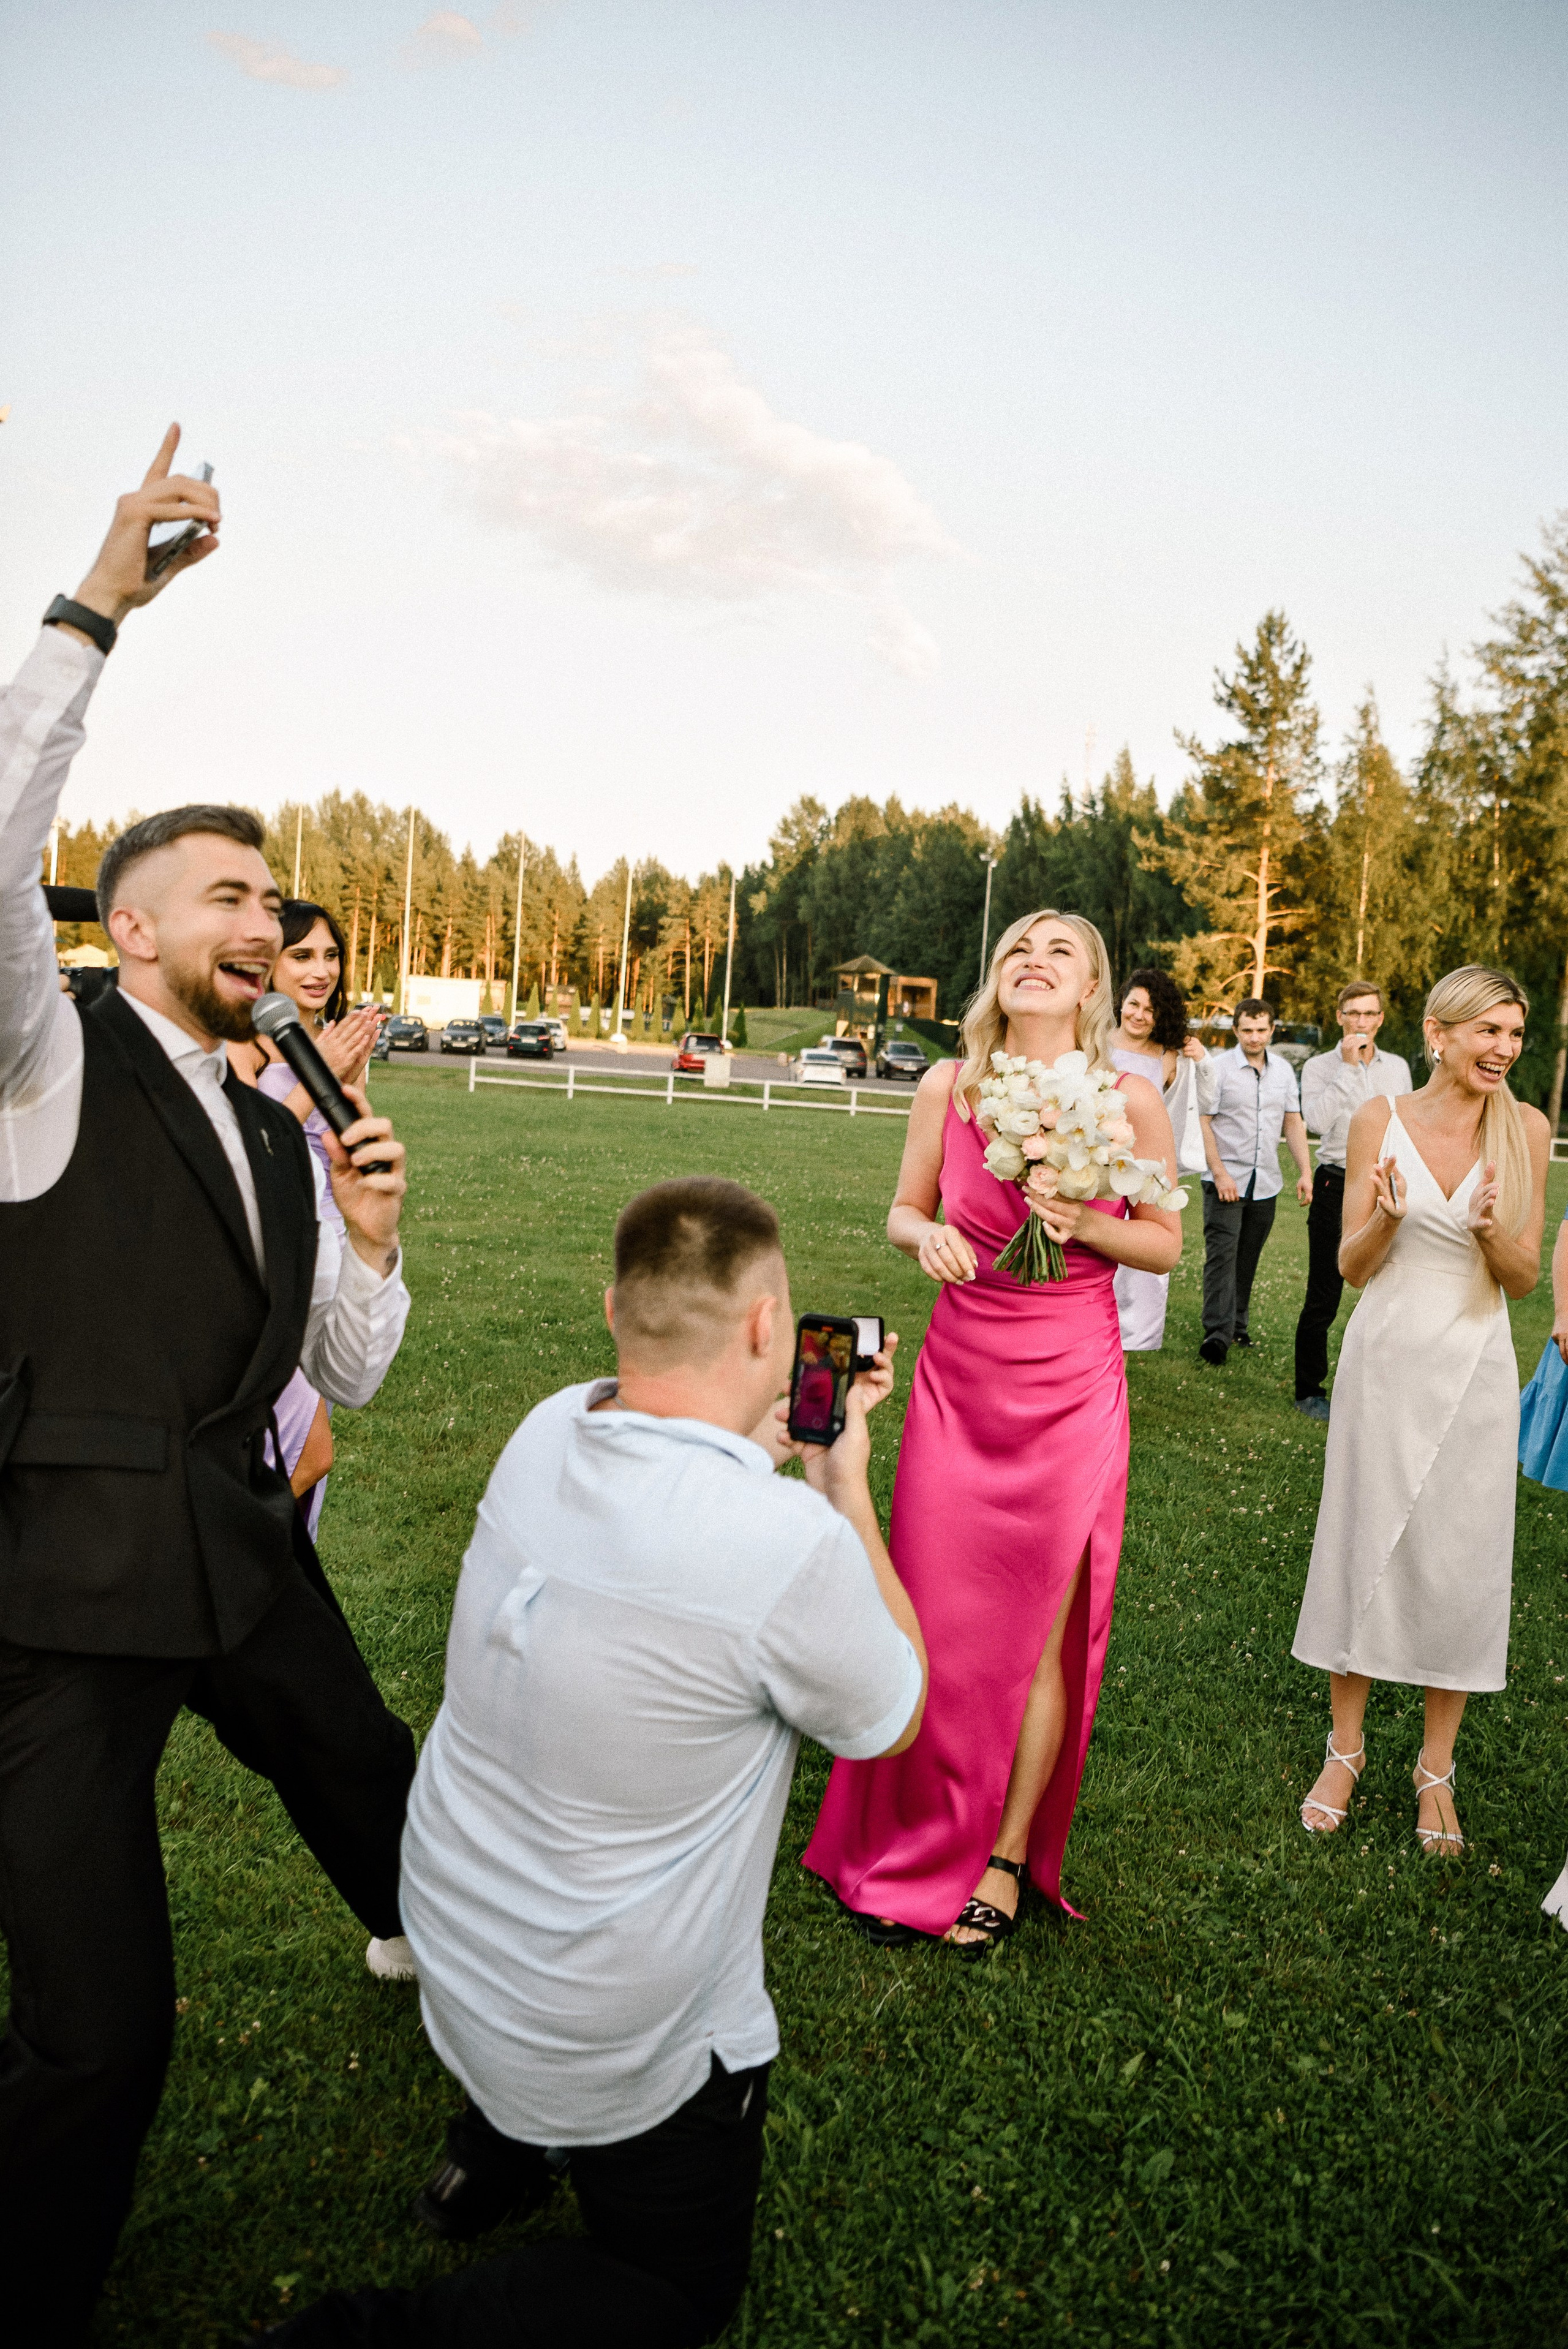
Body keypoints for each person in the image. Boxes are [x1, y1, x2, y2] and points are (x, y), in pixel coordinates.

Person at [0, 429, 417, 2347]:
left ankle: (520, 2066)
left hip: (244, 1554)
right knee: (103, 2033)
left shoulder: (278, 1120)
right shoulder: (44, 1068)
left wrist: (375, 1241)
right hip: (63, 1595)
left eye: (278, 902)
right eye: (229, 896)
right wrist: (99, 601)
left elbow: (338, 1370)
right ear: (131, 926)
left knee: (395, 1813)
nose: (269, 923)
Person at [263, 1178, 926, 2347]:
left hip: (454, 1940)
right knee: (673, 2293)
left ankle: (493, 2154)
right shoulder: (788, 1549)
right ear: (770, 1329)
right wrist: (839, 1484)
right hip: (605, 2027)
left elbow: (673, 1499)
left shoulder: (549, 1425)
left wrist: (760, 1453)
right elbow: (894, 1714)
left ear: (616, 1308)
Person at [801, 910, 1181, 1955]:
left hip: (1068, 1383)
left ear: (1093, 987)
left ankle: (1006, 1856)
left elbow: (1164, 1245)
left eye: (1061, 952)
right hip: (960, 1375)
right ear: (997, 976)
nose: (1035, 961)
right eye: (1020, 947)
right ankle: (909, 1839)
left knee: (1038, 1627)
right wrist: (925, 1236)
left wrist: (1083, 1223)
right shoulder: (949, 1088)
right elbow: (902, 1210)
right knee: (932, 1610)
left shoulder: (1129, 1098)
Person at [1292, 966, 1548, 1853]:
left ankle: (1435, 1767)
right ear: (1439, 1032)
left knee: (1461, 1555)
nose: (1504, 1049)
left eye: (1515, 1034)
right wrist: (1390, 1220)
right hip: (1387, 1356)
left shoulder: (1527, 1129)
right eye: (1490, 1031)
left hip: (1477, 1360)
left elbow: (1523, 1280)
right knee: (1364, 1536)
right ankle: (1346, 1748)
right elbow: (1351, 1268)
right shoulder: (1378, 1120)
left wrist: (1486, 1231)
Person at [228, 901, 382, 1536]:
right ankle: (230, 1541)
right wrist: (319, 1074)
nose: (320, 971)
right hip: (266, 1256)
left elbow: (354, 1142)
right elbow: (244, 1148)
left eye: (330, 955)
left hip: (331, 1249)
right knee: (307, 1448)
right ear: (270, 963)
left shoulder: (338, 1039)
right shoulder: (242, 1041)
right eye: (302, 955)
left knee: (301, 1445)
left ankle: (285, 1571)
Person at [1292, 982, 1412, 1420]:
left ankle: (1378, 1385)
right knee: (1324, 1290)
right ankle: (1309, 1389)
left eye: (1369, 1014)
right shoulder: (1320, 1067)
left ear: (1380, 1019)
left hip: (1384, 1184)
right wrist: (1347, 1068)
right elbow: (1319, 1123)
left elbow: (1405, 1123)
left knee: (1389, 1285)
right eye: (1353, 1013)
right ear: (1339, 1016)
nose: (1361, 1021)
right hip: (1335, 1183)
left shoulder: (1397, 1067)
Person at [1196, 997, 1312, 1366]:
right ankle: (1217, 1334)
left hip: (1266, 1182)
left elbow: (1292, 1122)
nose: (1255, 1037)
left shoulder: (1283, 1072)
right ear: (1236, 1031)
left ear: (1272, 1030)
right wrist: (1219, 1173)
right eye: (1247, 1030)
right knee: (1222, 1258)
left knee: (1248, 1258)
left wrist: (1306, 1171)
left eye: (1262, 1030)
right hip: (1225, 1179)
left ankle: (1238, 1325)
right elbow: (1204, 1122)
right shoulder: (1218, 1068)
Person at [1108, 966, 1207, 1350]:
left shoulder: (1170, 1057)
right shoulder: (1094, 1040)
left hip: (1146, 1163)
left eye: (1150, 1010)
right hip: (1098, 1158)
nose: (1139, 1015)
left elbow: (1193, 1103)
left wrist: (1203, 1059)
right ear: (1121, 1004)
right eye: (1134, 1004)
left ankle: (1136, 1335)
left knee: (1143, 1246)